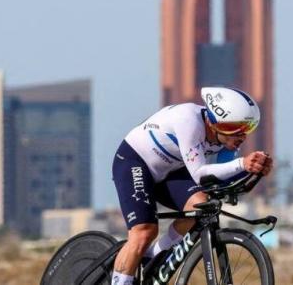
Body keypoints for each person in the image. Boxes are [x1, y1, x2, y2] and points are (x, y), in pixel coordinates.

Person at [110, 86, 273, 285]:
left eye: (248, 128)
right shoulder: (188, 120)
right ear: (213, 122)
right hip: (135, 161)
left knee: (199, 206)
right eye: (234, 128)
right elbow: (199, 174)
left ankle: (153, 256)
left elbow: (221, 178)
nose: (242, 136)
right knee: (144, 231)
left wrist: (253, 170)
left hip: (170, 170)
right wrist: (242, 164)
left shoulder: (227, 140)